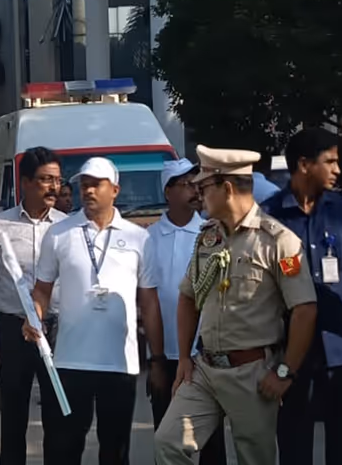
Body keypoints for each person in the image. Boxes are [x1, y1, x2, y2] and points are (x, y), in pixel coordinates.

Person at [153, 145, 318, 465]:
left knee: (254, 458)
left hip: (251, 373)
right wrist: (184, 357)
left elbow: (305, 309)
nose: (198, 195)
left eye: (203, 187)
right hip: (204, 369)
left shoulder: (278, 240)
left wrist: (286, 372)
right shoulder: (207, 237)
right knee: (169, 442)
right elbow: (188, 296)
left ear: (226, 188)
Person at [22, 157, 161, 464]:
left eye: (96, 184)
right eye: (83, 184)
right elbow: (42, 290)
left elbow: (149, 301)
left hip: (120, 365)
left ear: (115, 190)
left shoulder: (139, 238)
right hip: (72, 362)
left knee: (115, 450)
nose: (88, 191)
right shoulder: (59, 233)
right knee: (65, 447)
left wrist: (157, 358)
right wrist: (34, 316)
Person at [262, 128, 342, 465]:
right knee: (294, 446)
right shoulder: (269, 218)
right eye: (329, 161)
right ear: (303, 164)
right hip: (291, 357)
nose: (338, 170)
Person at [0, 146, 68, 465]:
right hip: (14, 331)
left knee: (59, 418)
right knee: (13, 420)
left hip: (57, 331)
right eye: (45, 180)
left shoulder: (67, 227)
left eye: (57, 180)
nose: (54, 187)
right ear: (25, 182)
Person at [145, 159, 227, 465]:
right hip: (165, 356)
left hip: (205, 354)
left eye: (198, 184)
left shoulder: (212, 233)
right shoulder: (149, 238)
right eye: (187, 185)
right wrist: (153, 359)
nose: (195, 190)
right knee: (166, 435)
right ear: (168, 191)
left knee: (211, 440)